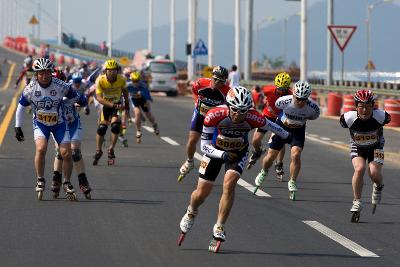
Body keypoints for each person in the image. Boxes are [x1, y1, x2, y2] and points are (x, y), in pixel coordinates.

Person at [177, 86, 290, 253]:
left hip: (238, 152)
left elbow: (274, 127)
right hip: (214, 152)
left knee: (229, 185)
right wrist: (221, 155)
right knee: (201, 193)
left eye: (243, 111)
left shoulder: (253, 117)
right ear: (229, 106)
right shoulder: (214, 115)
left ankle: (219, 226)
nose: (239, 114)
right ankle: (191, 211)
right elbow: (204, 147)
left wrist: (289, 136)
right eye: (235, 110)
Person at [14, 57, 87, 201]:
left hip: (59, 123)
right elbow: (21, 108)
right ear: (36, 74)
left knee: (66, 153)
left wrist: (81, 100)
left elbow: (75, 96)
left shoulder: (60, 85)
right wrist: (18, 127)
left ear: (51, 73)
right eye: (41, 73)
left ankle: (66, 181)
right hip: (41, 124)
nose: (44, 76)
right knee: (41, 148)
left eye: (47, 73)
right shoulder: (30, 88)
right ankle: (40, 179)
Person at [253, 80, 320, 200]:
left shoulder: (313, 108)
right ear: (293, 94)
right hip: (281, 128)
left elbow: (313, 116)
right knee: (271, 156)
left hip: (298, 130)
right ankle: (264, 171)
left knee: (296, 154)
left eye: (303, 99)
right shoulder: (283, 101)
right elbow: (277, 111)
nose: (299, 102)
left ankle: (292, 181)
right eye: (297, 98)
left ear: (308, 98)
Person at [340, 89, 391, 223]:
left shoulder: (381, 116)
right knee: (359, 169)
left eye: (368, 106)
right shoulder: (348, 118)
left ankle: (379, 185)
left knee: (374, 173)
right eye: (361, 106)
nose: (364, 110)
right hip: (358, 147)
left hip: (376, 147)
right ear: (356, 106)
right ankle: (357, 201)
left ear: (373, 106)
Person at [178, 66, 230, 182]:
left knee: (212, 145)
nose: (217, 83)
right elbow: (194, 91)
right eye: (215, 79)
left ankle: (206, 168)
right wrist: (197, 101)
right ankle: (190, 161)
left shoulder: (227, 91)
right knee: (192, 140)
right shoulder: (201, 83)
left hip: (214, 119)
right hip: (200, 114)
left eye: (221, 81)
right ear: (212, 77)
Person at [52, 71, 92, 199]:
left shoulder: (69, 89)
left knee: (75, 152)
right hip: (58, 126)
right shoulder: (46, 92)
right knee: (60, 152)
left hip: (73, 124)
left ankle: (83, 181)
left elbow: (84, 101)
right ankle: (56, 179)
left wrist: (80, 102)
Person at [247, 72, 292, 183]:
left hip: (280, 120)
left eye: (285, 89)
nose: (282, 91)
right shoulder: (268, 90)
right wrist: (261, 102)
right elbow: (256, 95)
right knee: (255, 140)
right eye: (280, 89)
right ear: (276, 86)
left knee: (279, 141)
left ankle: (279, 164)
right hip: (267, 116)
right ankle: (258, 151)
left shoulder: (291, 95)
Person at [92, 59, 129, 166]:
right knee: (102, 128)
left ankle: (111, 149)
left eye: (114, 70)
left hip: (117, 104)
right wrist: (113, 105)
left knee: (116, 126)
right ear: (106, 71)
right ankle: (98, 150)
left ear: (117, 71)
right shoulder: (100, 80)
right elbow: (99, 98)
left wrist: (126, 104)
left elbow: (125, 91)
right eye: (110, 71)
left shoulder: (121, 79)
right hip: (106, 105)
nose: (112, 73)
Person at [126, 71, 159, 144]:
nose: (135, 83)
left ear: (139, 80)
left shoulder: (143, 85)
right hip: (134, 99)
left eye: (137, 81)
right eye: (134, 81)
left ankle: (154, 124)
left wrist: (144, 96)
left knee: (148, 114)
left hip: (143, 100)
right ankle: (138, 131)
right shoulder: (127, 85)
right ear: (131, 80)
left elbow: (148, 97)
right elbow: (121, 92)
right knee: (137, 113)